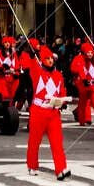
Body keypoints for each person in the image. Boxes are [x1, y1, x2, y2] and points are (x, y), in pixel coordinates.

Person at [27, 47, 70, 179]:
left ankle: (61, 169)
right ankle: (32, 165)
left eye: (51, 58)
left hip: (53, 113)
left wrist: (63, 101)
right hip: (38, 111)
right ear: (42, 60)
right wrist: (33, 55)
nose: (50, 60)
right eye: (47, 58)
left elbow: (62, 91)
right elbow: (32, 65)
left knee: (57, 142)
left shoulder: (58, 75)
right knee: (34, 141)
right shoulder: (37, 73)